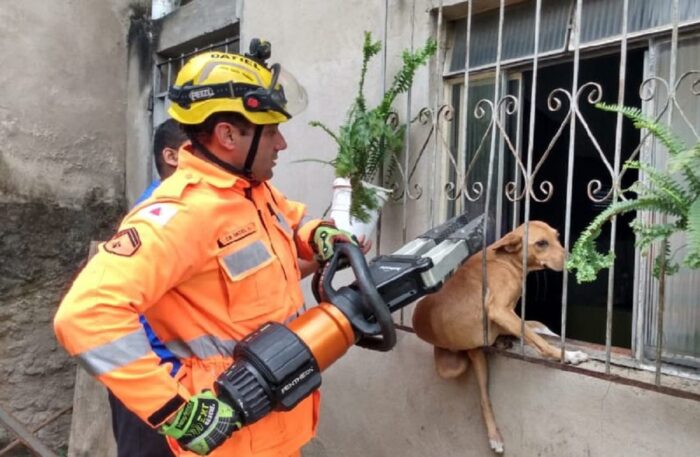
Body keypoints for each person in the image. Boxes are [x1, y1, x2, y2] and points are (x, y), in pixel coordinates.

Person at [54, 47, 365, 456]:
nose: (282, 143)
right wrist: (175, 411)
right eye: (271, 131)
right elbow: (86, 316)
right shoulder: (181, 215)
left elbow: (289, 225)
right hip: (226, 435)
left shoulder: (254, 191)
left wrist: (316, 235)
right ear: (227, 136)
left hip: (273, 421)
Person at [107, 118, 188, 457]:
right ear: (170, 156)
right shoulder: (158, 216)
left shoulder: (189, 208)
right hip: (156, 379)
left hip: (180, 378)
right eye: (196, 151)